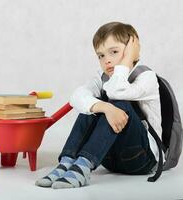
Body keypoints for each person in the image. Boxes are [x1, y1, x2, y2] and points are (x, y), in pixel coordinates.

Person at [35, 21, 161, 189]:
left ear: (132, 51)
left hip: (141, 159)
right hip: (108, 159)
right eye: (101, 55)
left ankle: (82, 167)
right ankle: (66, 163)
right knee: (91, 105)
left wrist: (126, 62)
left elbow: (118, 91)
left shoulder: (147, 77)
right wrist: (104, 107)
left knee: (118, 103)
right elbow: (76, 97)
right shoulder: (102, 78)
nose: (107, 60)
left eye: (114, 52)